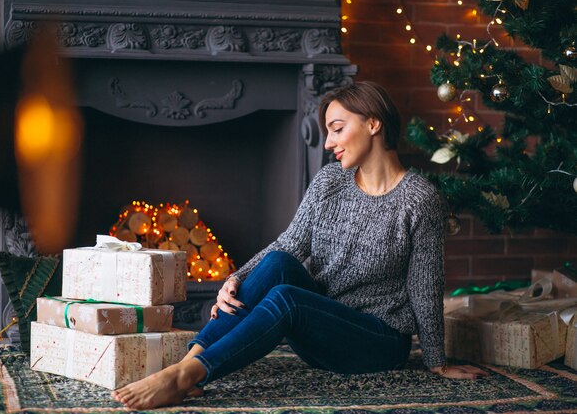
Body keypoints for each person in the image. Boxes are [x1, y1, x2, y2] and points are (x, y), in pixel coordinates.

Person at [111, 81, 488, 409]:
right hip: (322, 323)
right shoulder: (329, 183)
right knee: (277, 263)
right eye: (327, 132)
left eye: (337, 129)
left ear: (374, 124)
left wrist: (437, 360)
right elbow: (287, 245)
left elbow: (424, 287)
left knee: (287, 297)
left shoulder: (420, 199)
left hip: (377, 340)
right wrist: (236, 278)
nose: (329, 143)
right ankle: (186, 365)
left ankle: (187, 377)